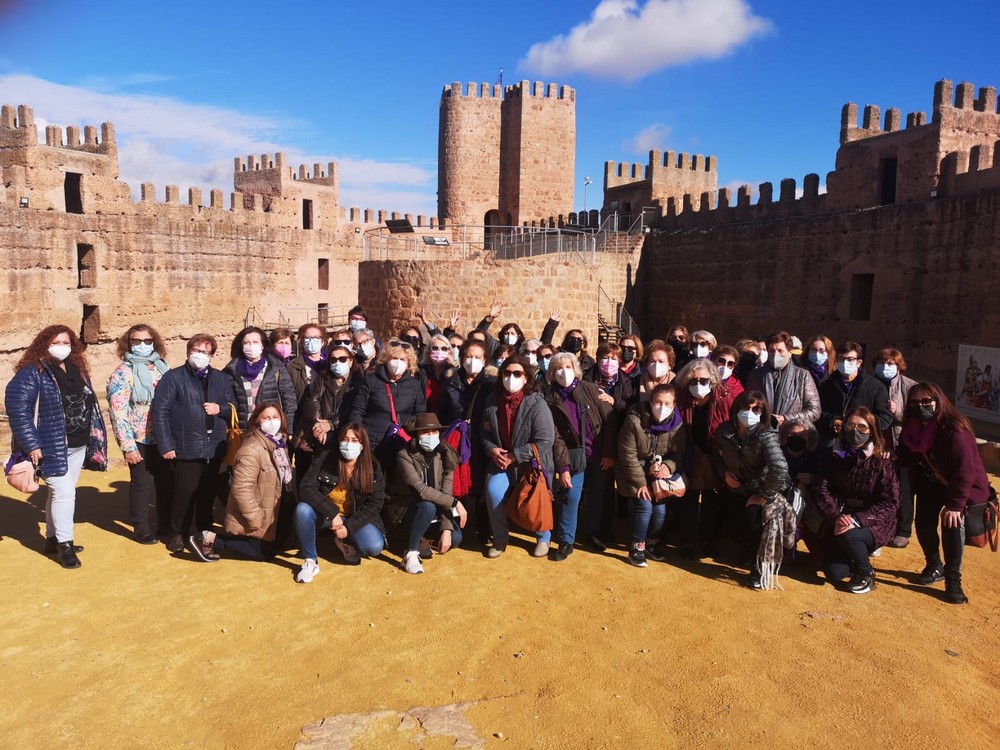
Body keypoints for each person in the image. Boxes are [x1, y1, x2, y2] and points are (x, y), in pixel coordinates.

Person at [5, 325, 108, 568]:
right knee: (64, 492)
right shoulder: (32, 372)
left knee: (60, 491)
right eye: (56, 342)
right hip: (50, 444)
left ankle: (52, 538)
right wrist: (31, 444)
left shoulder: (77, 369)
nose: (61, 347)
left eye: (66, 342)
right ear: (43, 344)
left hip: (77, 441)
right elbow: (18, 410)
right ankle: (66, 546)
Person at [897, 382, 991, 605]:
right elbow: (906, 452)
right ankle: (934, 565)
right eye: (916, 402)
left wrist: (956, 505)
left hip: (957, 484)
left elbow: (965, 470)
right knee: (923, 524)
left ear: (938, 402)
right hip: (931, 482)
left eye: (926, 401)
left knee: (951, 524)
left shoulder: (955, 429)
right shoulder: (912, 426)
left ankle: (953, 580)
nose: (921, 406)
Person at [151, 334, 234, 553]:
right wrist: (166, 445)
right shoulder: (173, 378)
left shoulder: (221, 379)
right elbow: (160, 412)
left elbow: (232, 406)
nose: (199, 355)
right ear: (188, 352)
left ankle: (204, 531)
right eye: (195, 350)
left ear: (212, 355)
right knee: (184, 493)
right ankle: (178, 532)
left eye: (205, 352)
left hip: (214, 446)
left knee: (206, 494)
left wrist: (221, 409)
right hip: (186, 445)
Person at [187, 403, 293, 563]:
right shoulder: (251, 450)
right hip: (258, 513)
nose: (272, 421)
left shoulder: (279, 444)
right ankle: (210, 538)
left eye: (275, 417)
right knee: (263, 554)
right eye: (266, 418)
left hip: (274, 508)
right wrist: (255, 517)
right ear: (257, 421)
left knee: (279, 546)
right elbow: (242, 490)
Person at [811, 407, 899, 594]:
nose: (855, 431)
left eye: (862, 427)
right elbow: (821, 488)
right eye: (850, 425)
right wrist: (836, 516)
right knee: (836, 574)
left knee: (850, 535)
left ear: (871, 431)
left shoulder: (881, 460)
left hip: (873, 521)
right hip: (840, 516)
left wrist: (857, 520)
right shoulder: (833, 455)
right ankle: (854, 553)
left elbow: (890, 502)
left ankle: (866, 573)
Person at [711, 390, 792, 589]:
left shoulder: (766, 435)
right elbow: (715, 454)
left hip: (765, 489)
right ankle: (746, 547)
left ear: (763, 412)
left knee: (757, 522)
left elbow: (780, 468)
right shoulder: (724, 430)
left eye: (756, 409)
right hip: (738, 488)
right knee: (736, 531)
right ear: (736, 408)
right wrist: (724, 473)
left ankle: (759, 568)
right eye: (745, 407)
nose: (750, 412)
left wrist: (763, 496)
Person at [481, 354, 556, 558]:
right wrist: (491, 449)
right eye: (507, 373)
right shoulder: (491, 402)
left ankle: (543, 536)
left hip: (530, 464)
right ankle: (500, 538)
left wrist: (515, 456)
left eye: (517, 373)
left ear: (526, 378)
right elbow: (484, 432)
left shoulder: (536, 404)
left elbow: (545, 441)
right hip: (502, 462)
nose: (511, 378)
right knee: (493, 491)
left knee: (535, 498)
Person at [545, 352, 616, 560]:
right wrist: (563, 467)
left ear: (576, 369)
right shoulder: (550, 399)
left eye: (567, 366)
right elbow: (555, 437)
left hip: (598, 454)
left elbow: (610, 422)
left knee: (596, 494)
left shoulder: (592, 390)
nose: (563, 371)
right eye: (558, 368)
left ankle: (591, 533)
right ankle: (566, 540)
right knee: (570, 496)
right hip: (572, 456)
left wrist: (610, 453)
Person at [106, 323, 171, 545]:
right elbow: (117, 412)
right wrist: (128, 446)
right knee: (142, 483)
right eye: (136, 341)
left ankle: (165, 524)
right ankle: (141, 527)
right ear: (128, 343)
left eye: (147, 340)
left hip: (164, 435)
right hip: (139, 437)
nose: (142, 345)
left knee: (166, 481)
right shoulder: (123, 373)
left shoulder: (162, 367)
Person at [294, 424, 386, 581]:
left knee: (374, 546)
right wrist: (332, 512)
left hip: (354, 518)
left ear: (362, 445)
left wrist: (349, 527)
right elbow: (305, 486)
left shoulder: (373, 467)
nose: (349, 444)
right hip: (327, 514)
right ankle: (310, 561)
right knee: (302, 510)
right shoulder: (327, 457)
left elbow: (375, 503)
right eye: (345, 439)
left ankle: (344, 539)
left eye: (354, 440)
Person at [674, 356, 743, 559]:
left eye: (703, 380)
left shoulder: (724, 398)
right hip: (690, 454)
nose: (698, 384)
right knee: (688, 500)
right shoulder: (682, 398)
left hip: (714, 455)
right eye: (693, 381)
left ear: (712, 380)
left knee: (713, 502)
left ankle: (708, 540)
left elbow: (732, 425)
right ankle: (686, 541)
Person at [385, 413, 467, 574]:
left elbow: (445, 493)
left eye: (434, 432)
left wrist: (446, 529)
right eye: (425, 433)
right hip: (404, 511)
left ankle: (423, 539)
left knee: (455, 538)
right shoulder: (404, 455)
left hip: (433, 511)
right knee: (427, 506)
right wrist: (455, 503)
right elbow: (421, 490)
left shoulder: (445, 455)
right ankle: (410, 552)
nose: (431, 436)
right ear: (416, 434)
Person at [617, 384, 687, 567]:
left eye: (667, 403)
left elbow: (680, 454)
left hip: (659, 476)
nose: (661, 407)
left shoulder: (678, 425)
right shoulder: (634, 420)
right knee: (645, 505)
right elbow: (627, 454)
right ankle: (636, 548)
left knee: (660, 511)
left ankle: (651, 542)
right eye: (657, 402)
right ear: (650, 402)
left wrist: (668, 467)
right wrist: (640, 482)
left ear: (674, 405)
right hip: (634, 472)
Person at [444, 339, 496, 544]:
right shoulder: (452, 382)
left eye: (477, 357)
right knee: (458, 483)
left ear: (484, 360)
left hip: (481, 440)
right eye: (468, 356)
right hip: (456, 440)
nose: (472, 361)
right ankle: (459, 527)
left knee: (481, 483)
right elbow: (443, 411)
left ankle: (484, 529)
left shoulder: (490, 385)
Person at [348, 340, 426, 467]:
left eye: (402, 359)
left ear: (409, 363)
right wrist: (356, 435)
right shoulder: (370, 381)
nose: (397, 363)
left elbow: (420, 414)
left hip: (402, 443)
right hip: (372, 442)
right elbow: (358, 410)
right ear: (386, 360)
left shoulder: (414, 385)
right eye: (394, 358)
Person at [873, 347, 919, 548]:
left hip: (902, 445)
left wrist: (897, 411)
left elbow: (919, 417)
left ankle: (903, 530)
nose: (886, 367)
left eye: (891, 364)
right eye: (882, 363)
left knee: (904, 490)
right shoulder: (869, 383)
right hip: (876, 445)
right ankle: (880, 526)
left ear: (899, 366)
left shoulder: (911, 387)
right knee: (877, 488)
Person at [291, 343, 359, 478]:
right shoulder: (323, 379)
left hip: (344, 432)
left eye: (342, 359)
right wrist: (320, 424)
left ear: (350, 361)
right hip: (319, 434)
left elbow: (353, 407)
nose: (337, 362)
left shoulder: (358, 382)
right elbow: (313, 401)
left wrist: (331, 424)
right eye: (333, 360)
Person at [816, 341, 893, 447]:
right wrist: (833, 421)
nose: (845, 363)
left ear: (859, 362)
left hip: (863, 444)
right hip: (830, 443)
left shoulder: (875, 387)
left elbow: (885, 417)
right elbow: (817, 412)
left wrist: (862, 425)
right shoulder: (827, 385)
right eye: (841, 359)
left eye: (850, 359)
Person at [225, 326, 297, 431]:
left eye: (255, 342)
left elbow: (289, 400)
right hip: (242, 431)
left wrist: (288, 429)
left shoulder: (276, 368)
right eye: (246, 343)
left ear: (262, 345)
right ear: (241, 345)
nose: (251, 346)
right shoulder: (231, 370)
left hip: (271, 429)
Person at [746, 331, 821, 427]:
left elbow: (814, 410)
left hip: (791, 432)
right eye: (772, 351)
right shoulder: (756, 375)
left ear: (789, 353)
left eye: (780, 351)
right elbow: (748, 404)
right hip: (762, 431)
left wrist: (786, 418)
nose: (775, 354)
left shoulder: (802, 376)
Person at [286, 323, 328, 406]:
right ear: (301, 342)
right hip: (302, 413)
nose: (312, 340)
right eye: (307, 338)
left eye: (316, 337)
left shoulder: (330, 363)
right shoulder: (293, 366)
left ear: (322, 342)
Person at [421, 333, 458, 424]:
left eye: (444, 349)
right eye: (435, 348)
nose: (439, 351)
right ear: (429, 351)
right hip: (424, 421)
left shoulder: (454, 374)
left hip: (445, 423)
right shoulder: (421, 372)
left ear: (449, 352)